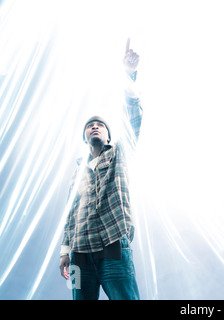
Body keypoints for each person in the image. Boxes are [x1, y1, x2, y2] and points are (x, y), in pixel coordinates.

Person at [59, 38, 142, 300]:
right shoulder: (77, 172)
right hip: (79, 256)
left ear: (107, 136)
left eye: (100, 125)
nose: (95, 126)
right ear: (85, 138)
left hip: (113, 247)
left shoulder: (118, 153)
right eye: (90, 126)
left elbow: (133, 119)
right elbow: (71, 212)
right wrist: (65, 250)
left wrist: (129, 76)